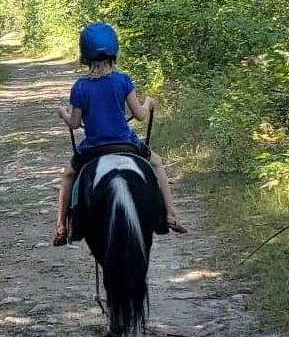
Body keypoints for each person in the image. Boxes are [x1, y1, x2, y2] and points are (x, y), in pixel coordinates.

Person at [53, 22, 188, 246]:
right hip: (125, 143)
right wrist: (148, 103)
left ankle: (61, 226)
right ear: (113, 52)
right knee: (157, 163)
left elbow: (75, 124)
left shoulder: (80, 87)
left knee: (68, 175)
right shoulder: (123, 80)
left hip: (93, 148)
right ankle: (170, 213)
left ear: (85, 55)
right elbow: (140, 115)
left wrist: (63, 113)